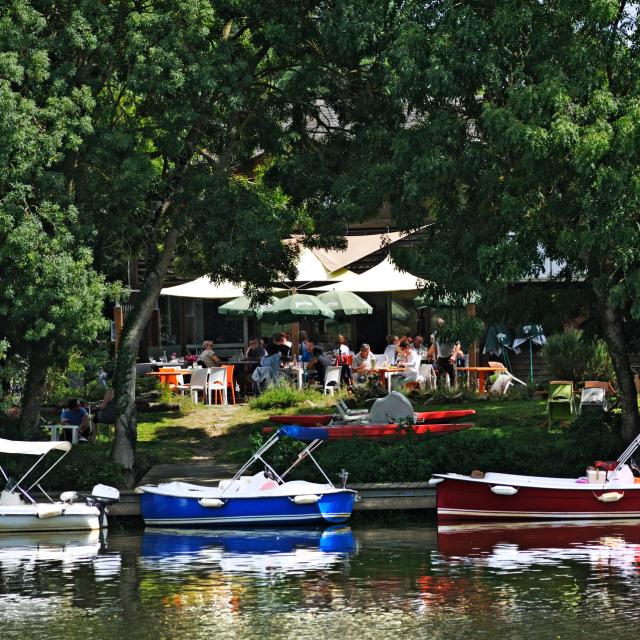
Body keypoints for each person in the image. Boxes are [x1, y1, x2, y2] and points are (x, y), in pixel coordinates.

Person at [433, 318, 463, 387]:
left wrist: (454, 355)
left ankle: (453, 393)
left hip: (450, 356)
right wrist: (436, 358)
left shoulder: (450, 333)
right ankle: (440, 394)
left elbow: (458, 344)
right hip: (440, 358)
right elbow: (435, 346)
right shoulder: (436, 334)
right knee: (440, 379)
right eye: (437, 326)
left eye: (440, 325)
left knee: (452, 377)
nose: (438, 327)